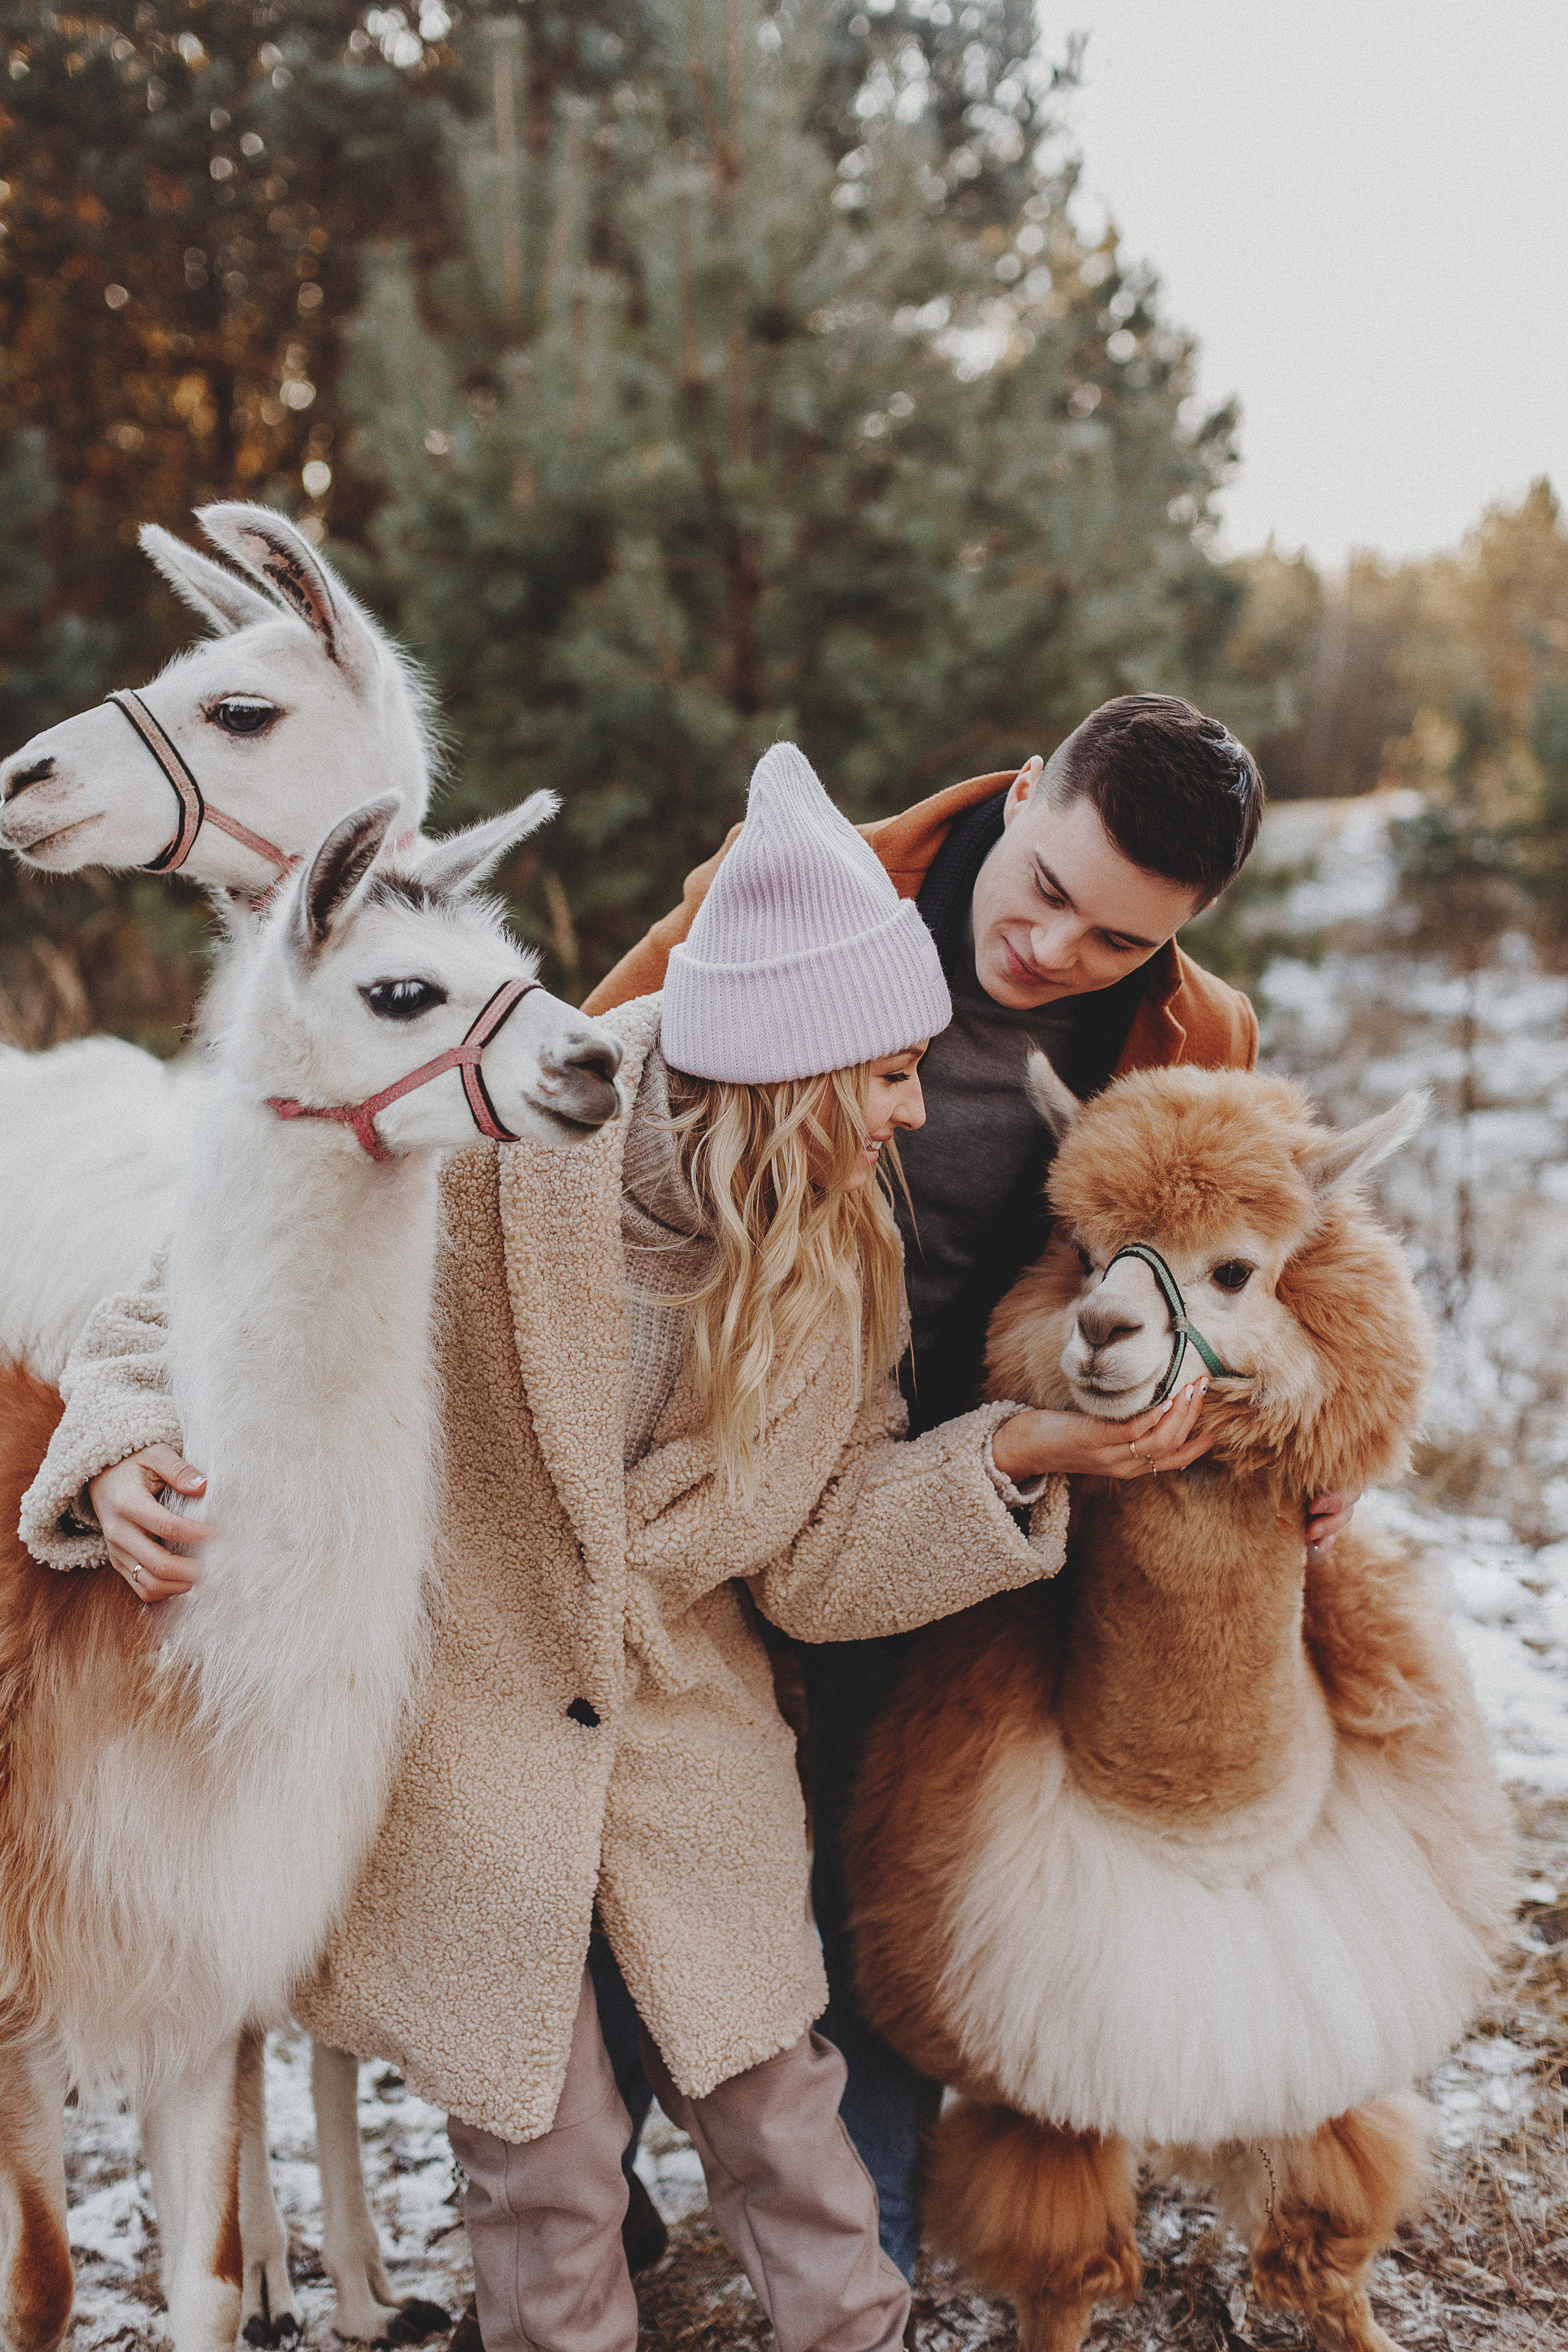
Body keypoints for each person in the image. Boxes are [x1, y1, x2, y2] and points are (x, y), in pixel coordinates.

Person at [22, 744, 1214, 2352]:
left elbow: (817, 1557)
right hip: (464, 1763)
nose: (918, 1112)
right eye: (887, 1074)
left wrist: (1021, 1454)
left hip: (685, 1771)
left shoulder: (837, 1256)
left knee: (793, 2145)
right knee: (550, 2177)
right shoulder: (485, 1151)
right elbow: (209, 1295)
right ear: (786, 1068)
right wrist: (121, 1454)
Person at [585, 695, 1358, 2278]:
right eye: (1052, 890)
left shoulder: (1197, 1038)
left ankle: (853, 2247)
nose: (1058, 949)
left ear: (1184, 937)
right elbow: (577, 1108)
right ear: (1022, 795)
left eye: (1118, 940)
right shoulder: (799, 891)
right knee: (628, 1827)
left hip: (964, 1496)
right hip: (709, 1448)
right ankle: (584, 2209)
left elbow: (1268, 1283)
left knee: (884, 1850)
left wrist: (1302, 1454)